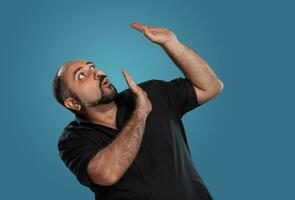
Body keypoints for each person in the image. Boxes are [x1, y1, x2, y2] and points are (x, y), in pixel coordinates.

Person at [53, 22, 223, 200]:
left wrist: (172, 43)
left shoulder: (152, 93)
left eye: (93, 66)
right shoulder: (72, 140)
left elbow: (211, 87)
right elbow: (107, 174)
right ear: (72, 103)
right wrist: (140, 114)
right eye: (82, 75)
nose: (98, 73)